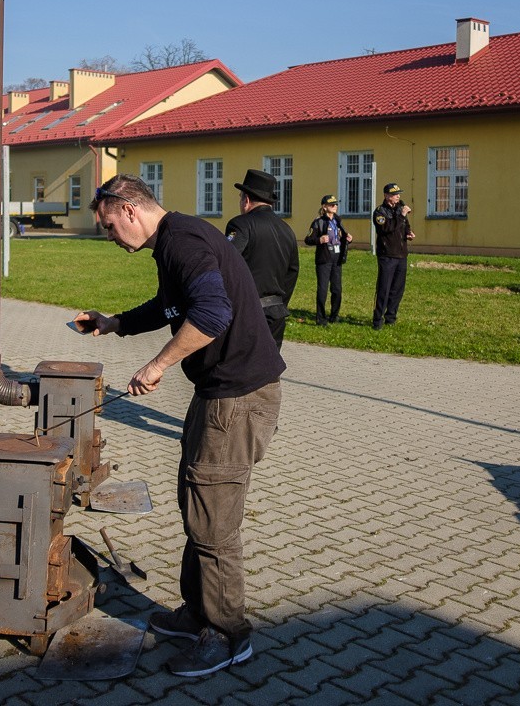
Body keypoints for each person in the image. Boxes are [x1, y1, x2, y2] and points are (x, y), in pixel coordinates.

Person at [72, 174, 285, 677]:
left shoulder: (184, 242)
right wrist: (115, 322)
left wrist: (158, 365)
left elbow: (212, 312)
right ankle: (197, 614)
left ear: (128, 209)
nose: (108, 236)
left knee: (213, 522)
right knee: (197, 502)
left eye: (107, 226)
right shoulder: (174, 242)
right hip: (219, 393)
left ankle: (229, 635)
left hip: (238, 399)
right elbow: (173, 306)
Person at [224, 168, 299, 349]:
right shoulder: (287, 230)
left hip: (245, 313)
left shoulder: (240, 224)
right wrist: (280, 303)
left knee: (239, 369)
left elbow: (226, 264)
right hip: (275, 312)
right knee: (269, 368)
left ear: (247, 200)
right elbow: (292, 271)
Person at [372, 182, 415, 329]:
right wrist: (401, 216)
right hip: (387, 255)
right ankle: (377, 320)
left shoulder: (399, 209)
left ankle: (391, 317)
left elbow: (404, 225)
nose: (398, 197)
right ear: (386, 196)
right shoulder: (380, 212)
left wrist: (408, 233)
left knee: (397, 289)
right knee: (384, 288)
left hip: (401, 255)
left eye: (398, 194)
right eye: (394, 194)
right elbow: (387, 228)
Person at [304, 195, 352, 326]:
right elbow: (308, 239)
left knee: (337, 289)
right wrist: (319, 240)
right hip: (324, 259)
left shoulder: (338, 220)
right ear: (324, 207)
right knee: (323, 289)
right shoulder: (318, 222)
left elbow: (341, 236)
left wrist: (348, 238)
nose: (335, 206)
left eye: (336, 204)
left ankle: (334, 316)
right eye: (332, 205)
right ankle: (321, 318)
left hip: (337, 259)